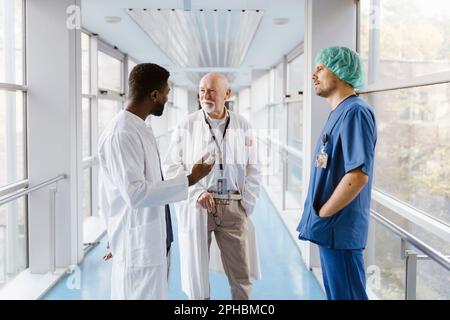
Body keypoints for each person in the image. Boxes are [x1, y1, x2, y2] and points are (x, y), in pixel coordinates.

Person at [98, 63, 214, 300]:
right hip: (138, 248)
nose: (167, 98)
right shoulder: (122, 134)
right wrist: (191, 178)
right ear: (154, 95)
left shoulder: (139, 127)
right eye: (166, 93)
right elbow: (135, 194)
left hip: (153, 240)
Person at [163, 73, 261, 300]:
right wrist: (196, 192)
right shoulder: (187, 124)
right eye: (202, 91)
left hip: (233, 206)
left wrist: (247, 203)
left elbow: (254, 167)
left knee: (241, 274)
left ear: (227, 94)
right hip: (199, 207)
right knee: (197, 275)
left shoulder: (242, 125)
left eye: (211, 91)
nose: (205, 96)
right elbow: (170, 165)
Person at [296, 46, 377, 300]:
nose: (313, 75)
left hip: (339, 231)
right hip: (330, 231)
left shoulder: (355, 112)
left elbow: (357, 175)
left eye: (320, 68)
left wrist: (324, 213)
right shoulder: (339, 112)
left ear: (341, 71)